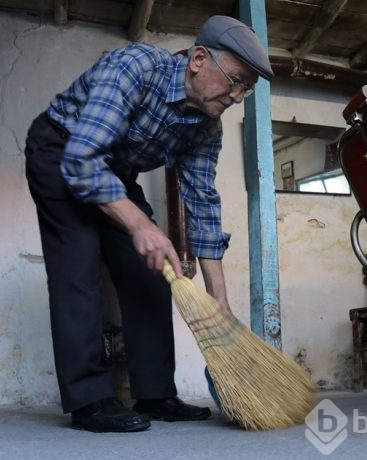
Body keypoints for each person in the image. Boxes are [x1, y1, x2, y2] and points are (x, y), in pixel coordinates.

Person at [24, 15, 274, 433]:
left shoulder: (206, 128)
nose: (236, 96)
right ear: (198, 59)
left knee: (154, 272)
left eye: (245, 89)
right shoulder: (136, 67)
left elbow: (203, 206)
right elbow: (82, 161)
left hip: (116, 172)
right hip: (62, 152)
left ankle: (156, 394)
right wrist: (140, 224)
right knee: (78, 265)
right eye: (234, 80)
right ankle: (90, 401)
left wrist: (219, 300)